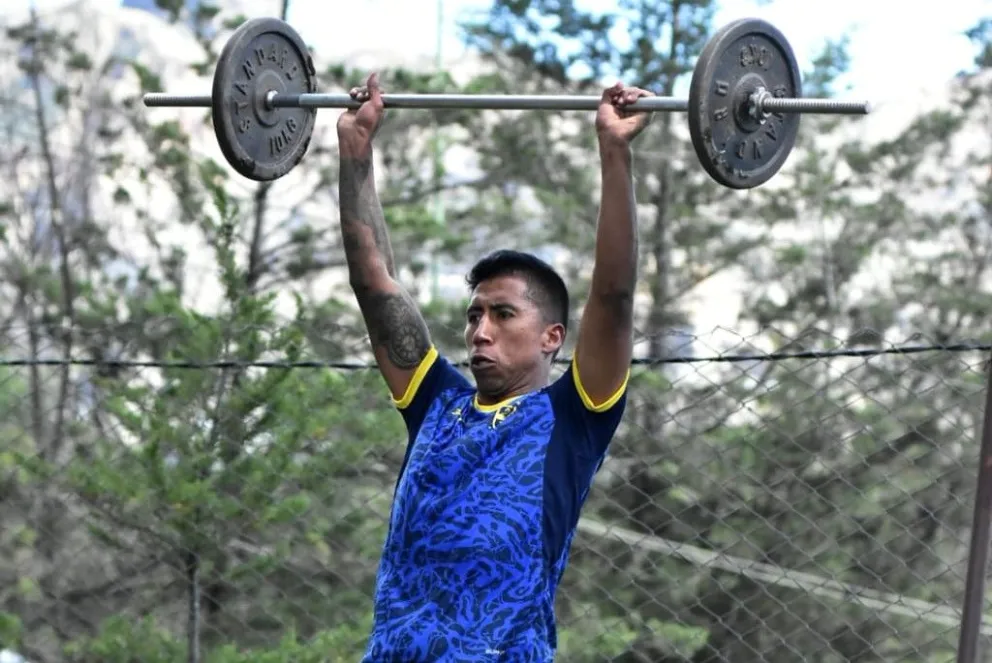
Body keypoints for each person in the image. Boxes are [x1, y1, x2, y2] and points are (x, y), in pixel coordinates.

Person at [336, 72, 651, 662]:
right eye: (475, 314)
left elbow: (613, 295)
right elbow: (375, 286)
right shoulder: (436, 405)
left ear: (552, 337)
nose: (480, 330)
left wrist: (614, 151)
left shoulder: (573, 417)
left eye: (504, 314)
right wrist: (356, 149)